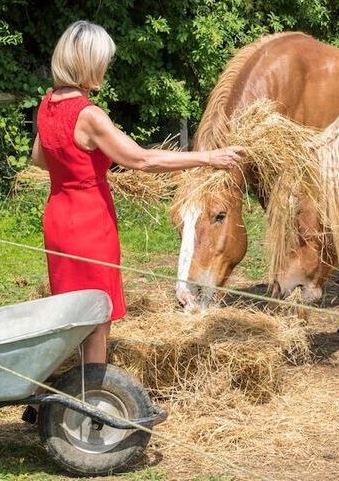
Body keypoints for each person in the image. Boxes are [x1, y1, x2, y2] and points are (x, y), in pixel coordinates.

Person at [30, 20, 244, 368]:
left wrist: (74, 168)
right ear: (86, 63)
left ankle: (69, 385)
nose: (105, 69)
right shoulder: (89, 115)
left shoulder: (47, 104)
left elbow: (40, 159)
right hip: (88, 220)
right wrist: (208, 157)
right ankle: (94, 400)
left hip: (58, 215)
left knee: (71, 307)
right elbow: (140, 160)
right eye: (102, 62)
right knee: (97, 316)